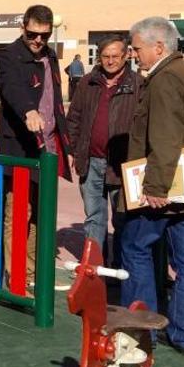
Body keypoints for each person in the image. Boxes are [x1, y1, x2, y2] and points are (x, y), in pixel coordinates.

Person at [120, 17, 184, 354]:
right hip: (182, 187)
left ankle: (143, 330)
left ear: (158, 47)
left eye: (137, 48)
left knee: (135, 248)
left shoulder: (165, 79)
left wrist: (156, 188)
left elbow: (165, 137)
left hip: (162, 188)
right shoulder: (182, 72)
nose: (134, 55)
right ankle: (182, 332)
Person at [0, 4, 72, 292]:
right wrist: (28, 111)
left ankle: (33, 272)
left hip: (47, 149)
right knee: (18, 214)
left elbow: (55, 103)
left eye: (44, 35)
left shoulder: (50, 56)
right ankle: (16, 278)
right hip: (20, 148)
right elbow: (12, 88)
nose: (38, 40)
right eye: (32, 34)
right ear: (22, 28)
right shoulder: (8, 56)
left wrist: (66, 141)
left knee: (42, 214)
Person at [66, 35, 142, 268]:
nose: (110, 61)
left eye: (115, 56)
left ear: (126, 55)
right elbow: (74, 118)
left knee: (124, 219)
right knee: (94, 218)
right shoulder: (87, 82)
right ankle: (95, 267)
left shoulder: (139, 84)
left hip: (122, 165)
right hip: (91, 162)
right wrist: (73, 149)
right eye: (105, 56)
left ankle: (120, 267)